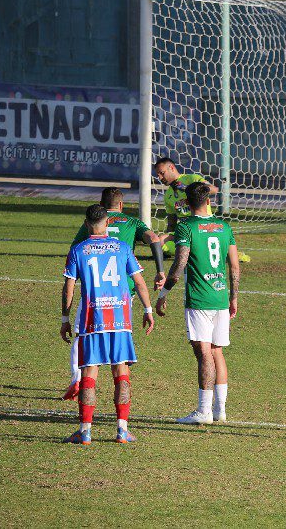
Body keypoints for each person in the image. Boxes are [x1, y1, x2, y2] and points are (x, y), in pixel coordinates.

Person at [61, 205, 155, 445]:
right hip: (120, 318)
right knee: (121, 371)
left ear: (86, 223)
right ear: (107, 221)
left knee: (89, 373)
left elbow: (69, 287)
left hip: (92, 319)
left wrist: (65, 318)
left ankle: (85, 432)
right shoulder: (122, 247)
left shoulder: (78, 250)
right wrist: (147, 309)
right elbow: (140, 282)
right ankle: (122, 430)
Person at [62, 187, 165, 401]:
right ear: (121, 205)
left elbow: (76, 251)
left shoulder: (91, 223)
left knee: (83, 335)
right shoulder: (132, 222)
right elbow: (154, 238)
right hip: (123, 293)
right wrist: (160, 271)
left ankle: (78, 379)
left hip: (94, 294)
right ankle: (122, 418)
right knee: (120, 344)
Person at [156, 182, 240, 425]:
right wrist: (233, 297)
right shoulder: (225, 226)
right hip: (221, 296)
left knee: (203, 353)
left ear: (186, 203)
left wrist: (164, 292)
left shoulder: (186, 227)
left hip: (200, 299)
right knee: (217, 352)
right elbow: (234, 266)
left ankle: (204, 411)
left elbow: (180, 264)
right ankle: (220, 410)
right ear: (208, 201)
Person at [153, 157, 218, 256]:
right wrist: (169, 238)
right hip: (186, 232)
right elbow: (171, 224)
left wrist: (188, 189)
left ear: (171, 167)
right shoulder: (168, 195)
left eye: (162, 173)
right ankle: (195, 251)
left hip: (203, 226)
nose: (160, 178)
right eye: (158, 175)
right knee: (159, 240)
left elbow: (214, 189)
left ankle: (194, 251)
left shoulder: (192, 179)